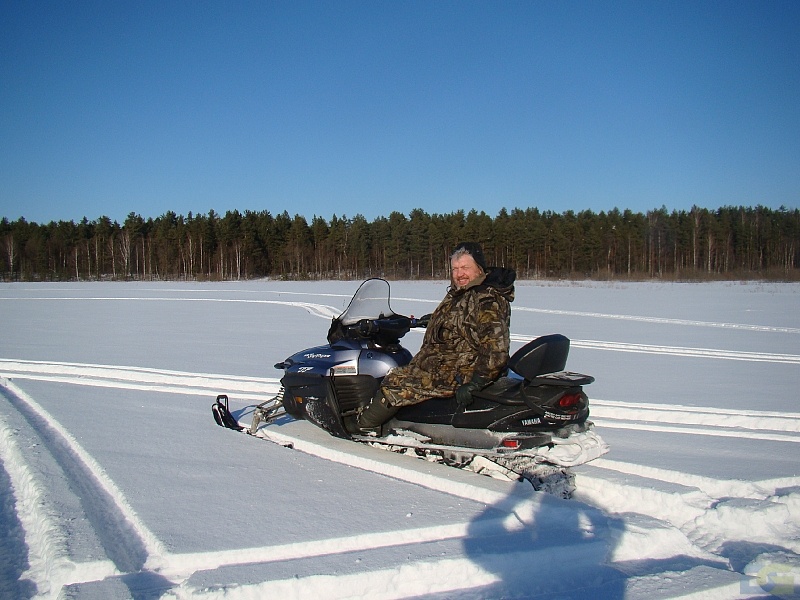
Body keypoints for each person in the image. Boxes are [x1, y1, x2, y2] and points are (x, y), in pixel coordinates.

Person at [347, 241, 516, 434]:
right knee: (404, 368)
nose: (459, 274)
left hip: (461, 372)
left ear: (479, 268)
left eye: (465, 268)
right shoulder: (463, 292)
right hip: (447, 363)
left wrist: (476, 382)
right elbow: (462, 320)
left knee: (396, 381)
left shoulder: (485, 299)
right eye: (455, 269)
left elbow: (496, 347)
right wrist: (433, 320)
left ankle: (364, 426)